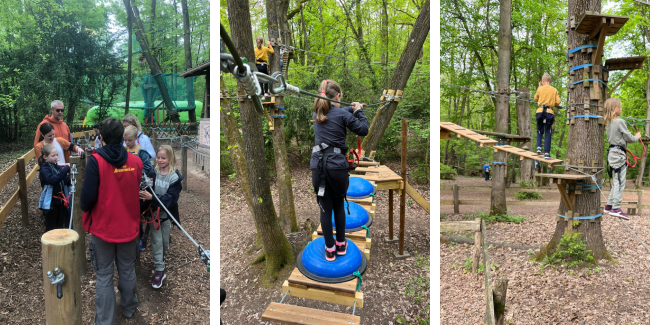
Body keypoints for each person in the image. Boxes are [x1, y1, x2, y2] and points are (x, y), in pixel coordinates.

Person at [81, 118, 143, 324]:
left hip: (103, 229)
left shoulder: (96, 162)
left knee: (105, 275)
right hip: (128, 228)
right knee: (126, 269)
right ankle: (128, 307)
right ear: (122, 136)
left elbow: (87, 198)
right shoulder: (135, 162)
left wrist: (85, 208)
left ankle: (105, 320)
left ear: (101, 137)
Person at [310, 79, 368, 262]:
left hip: (318, 167)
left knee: (325, 210)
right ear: (338, 96)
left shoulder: (317, 113)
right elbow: (363, 129)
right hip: (336, 168)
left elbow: (336, 112)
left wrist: (351, 109)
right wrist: (359, 111)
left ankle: (329, 249)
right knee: (338, 206)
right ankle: (341, 245)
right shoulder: (342, 116)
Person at [139, 145, 182, 289]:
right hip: (154, 215)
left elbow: (170, 199)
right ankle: (159, 270)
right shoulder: (153, 171)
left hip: (166, 216)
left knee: (164, 242)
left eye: (163, 158)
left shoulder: (174, 177)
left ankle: (161, 260)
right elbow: (146, 187)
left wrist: (153, 197)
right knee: (157, 241)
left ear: (170, 158)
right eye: (158, 157)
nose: (160, 160)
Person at [604, 98, 640, 220]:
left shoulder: (608, 123)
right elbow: (629, 138)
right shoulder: (619, 122)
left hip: (612, 154)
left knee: (616, 180)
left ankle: (609, 205)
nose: (621, 109)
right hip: (618, 154)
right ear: (614, 109)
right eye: (620, 107)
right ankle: (616, 208)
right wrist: (637, 136)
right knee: (620, 181)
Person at [38, 144, 72, 231]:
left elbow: (64, 179)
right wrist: (65, 170)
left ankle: (59, 242)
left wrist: (69, 179)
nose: (56, 157)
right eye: (53, 155)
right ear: (45, 157)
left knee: (60, 224)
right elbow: (52, 180)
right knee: (51, 226)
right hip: (51, 202)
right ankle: (49, 243)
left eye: (56, 155)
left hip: (61, 200)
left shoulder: (56, 167)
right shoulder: (44, 169)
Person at [533, 73, 562, 160]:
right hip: (549, 112)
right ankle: (546, 153)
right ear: (550, 81)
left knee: (539, 129)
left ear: (543, 81)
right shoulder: (554, 90)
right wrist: (553, 103)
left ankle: (538, 147)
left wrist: (539, 87)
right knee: (548, 131)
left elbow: (535, 98)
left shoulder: (540, 89)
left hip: (540, 111)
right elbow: (558, 101)